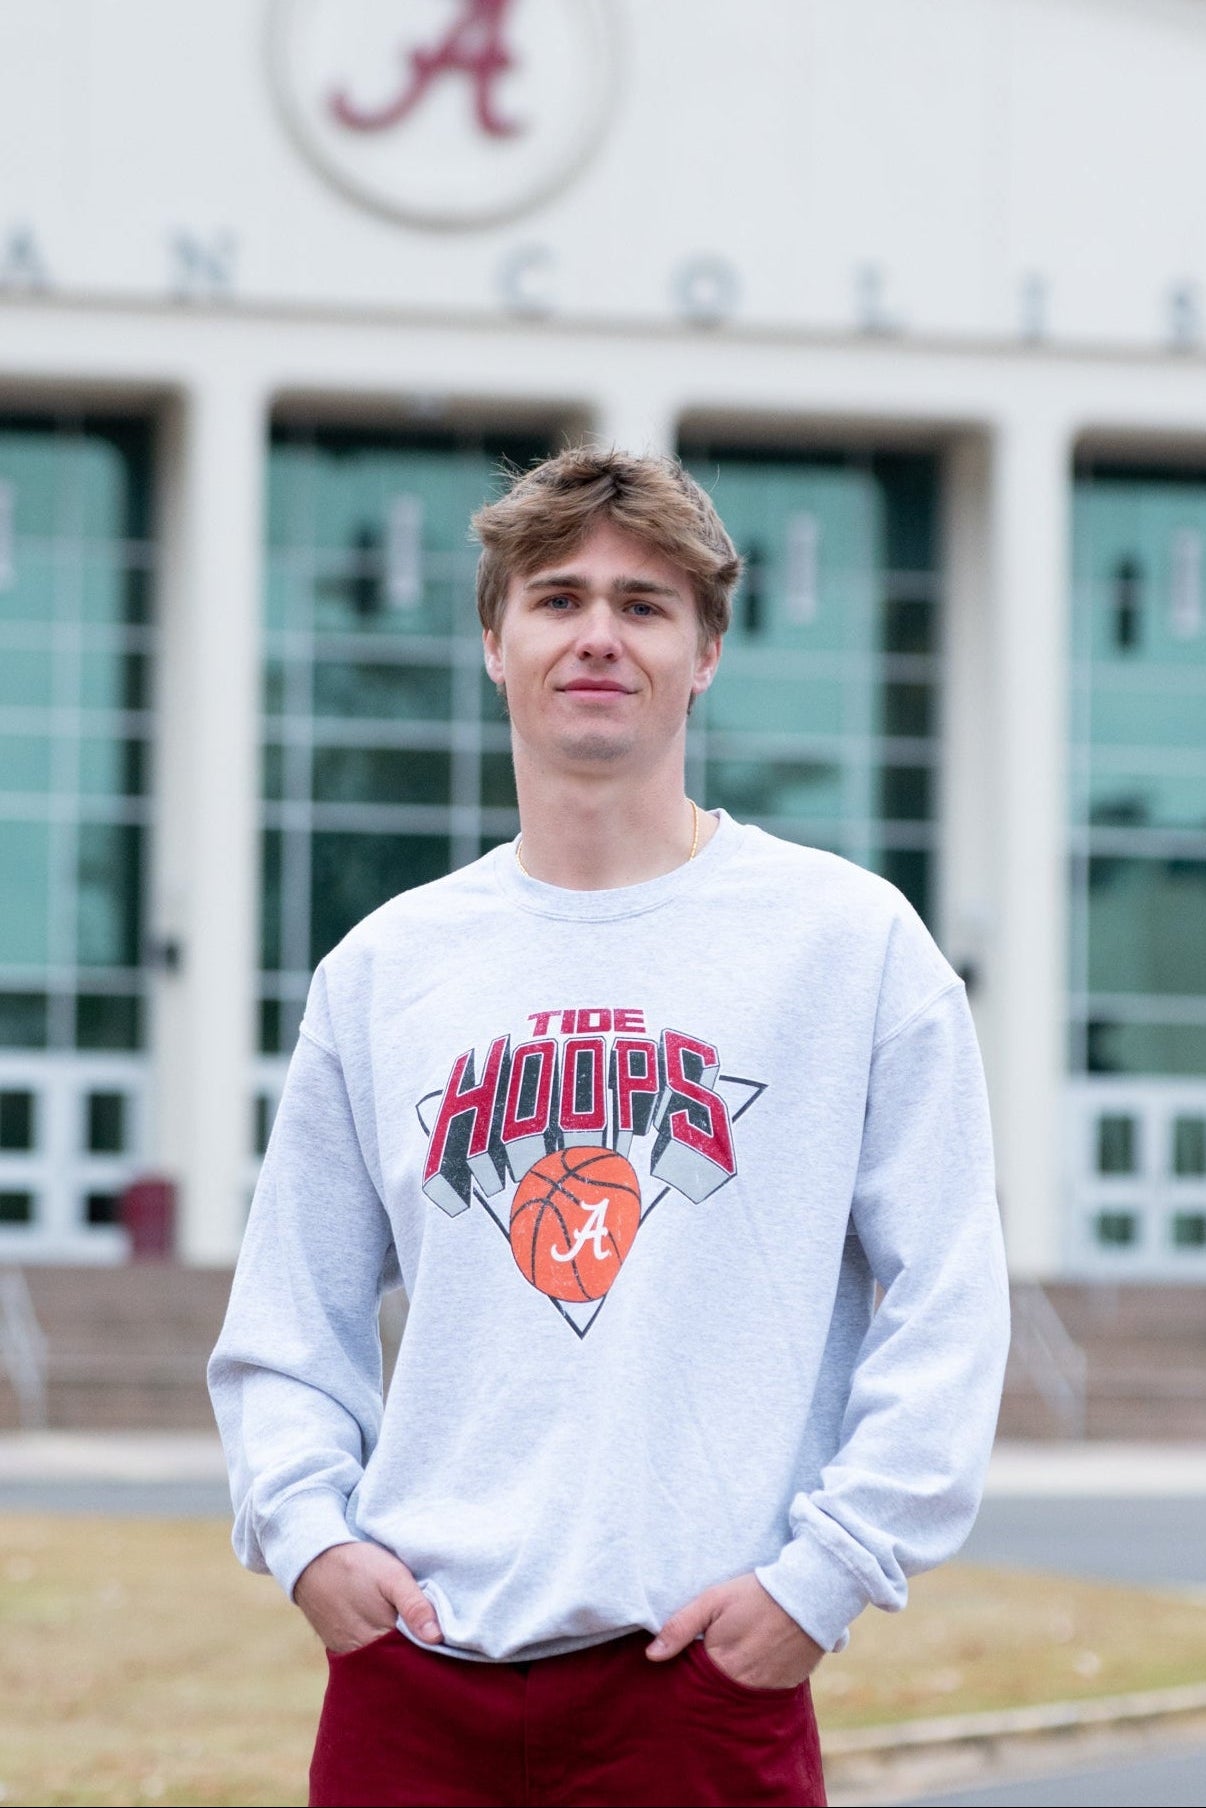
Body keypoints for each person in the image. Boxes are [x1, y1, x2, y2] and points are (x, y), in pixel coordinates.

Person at [208, 446, 1011, 1808]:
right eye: (557, 597)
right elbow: (288, 1324)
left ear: (704, 652)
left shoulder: (844, 944)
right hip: (414, 1682)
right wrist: (308, 1541)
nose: (597, 635)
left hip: (698, 1683)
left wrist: (820, 1581)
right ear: (492, 640)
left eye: (643, 605)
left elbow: (946, 1299)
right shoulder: (388, 969)